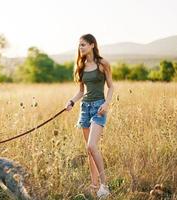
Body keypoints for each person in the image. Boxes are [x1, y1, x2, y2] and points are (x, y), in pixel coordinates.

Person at [65, 33, 114, 198]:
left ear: (92, 45)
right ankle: (94, 184)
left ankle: (104, 186)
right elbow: (80, 92)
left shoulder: (103, 64)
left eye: (83, 44)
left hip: (99, 108)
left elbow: (111, 87)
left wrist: (106, 104)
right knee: (89, 151)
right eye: (79, 45)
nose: (81, 47)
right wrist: (71, 102)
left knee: (91, 146)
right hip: (85, 108)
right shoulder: (80, 66)